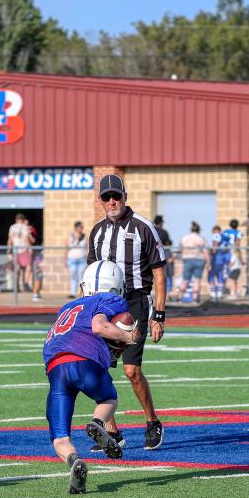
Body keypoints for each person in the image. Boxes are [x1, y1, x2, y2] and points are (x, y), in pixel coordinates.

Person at [86, 173, 167, 451]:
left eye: (116, 196)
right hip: (103, 305)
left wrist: (159, 315)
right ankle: (111, 431)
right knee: (98, 368)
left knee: (132, 370)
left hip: (134, 302)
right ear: (101, 200)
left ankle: (152, 421)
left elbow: (159, 274)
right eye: (106, 197)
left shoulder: (143, 227)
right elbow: (89, 274)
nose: (112, 201)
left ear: (124, 197)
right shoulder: (97, 231)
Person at [43, 260, 139, 493]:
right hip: (84, 361)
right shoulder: (111, 299)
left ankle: (74, 461)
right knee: (108, 399)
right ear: (116, 286)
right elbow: (98, 326)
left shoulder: (67, 307)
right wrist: (128, 338)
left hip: (55, 368)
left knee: (60, 438)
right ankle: (97, 423)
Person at [176, 221, 207, 302]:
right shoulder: (201, 238)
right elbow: (205, 251)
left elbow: (180, 250)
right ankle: (195, 298)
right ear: (199, 230)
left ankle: (179, 297)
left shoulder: (184, 238)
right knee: (197, 280)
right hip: (199, 259)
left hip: (188, 259)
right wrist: (209, 263)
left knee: (185, 279)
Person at [9, 213, 33, 291]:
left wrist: (9, 250)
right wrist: (30, 248)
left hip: (15, 250)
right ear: (23, 220)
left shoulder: (12, 227)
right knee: (28, 266)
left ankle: (16, 285)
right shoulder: (24, 227)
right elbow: (26, 238)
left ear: (16, 220)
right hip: (23, 249)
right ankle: (26, 284)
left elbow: (10, 239)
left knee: (17, 268)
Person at [208, 224, 230, 301]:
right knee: (220, 276)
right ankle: (220, 294)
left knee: (211, 276)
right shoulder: (225, 238)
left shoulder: (217, 236)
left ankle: (213, 295)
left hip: (216, 259)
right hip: (222, 259)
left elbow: (215, 248)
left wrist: (211, 251)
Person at [154, 215, 175, 295]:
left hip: (153, 255)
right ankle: (168, 292)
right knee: (167, 273)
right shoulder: (164, 232)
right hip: (163, 254)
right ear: (160, 223)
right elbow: (167, 243)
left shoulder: (151, 230)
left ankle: (157, 292)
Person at [67, 221, 88, 297]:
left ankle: (82, 292)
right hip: (72, 259)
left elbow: (87, 248)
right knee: (73, 276)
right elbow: (67, 248)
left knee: (81, 276)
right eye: (80, 227)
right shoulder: (71, 236)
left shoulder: (85, 236)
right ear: (76, 227)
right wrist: (65, 259)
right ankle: (73, 292)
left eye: (82, 227)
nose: (82, 228)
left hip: (82, 259)